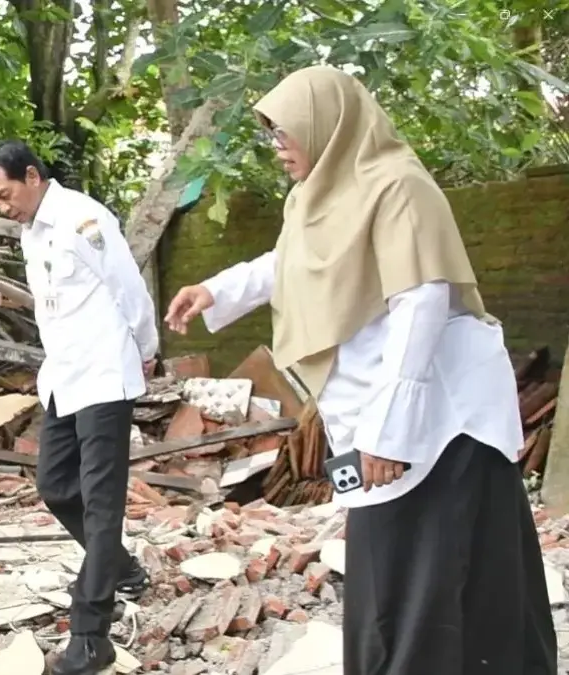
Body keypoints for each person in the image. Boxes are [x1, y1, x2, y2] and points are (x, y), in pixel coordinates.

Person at [163, 65, 557, 675]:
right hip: (381, 410)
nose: (278, 148)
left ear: (327, 124)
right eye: (271, 135)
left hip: (442, 417)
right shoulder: (317, 194)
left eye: (283, 132)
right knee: (400, 564)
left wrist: (389, 431)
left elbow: (422, 303)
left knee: (435, 569)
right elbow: (295, 261)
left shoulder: (400, 187)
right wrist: (217, 290)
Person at [0, 140, 159, 675]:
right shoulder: (32, 232)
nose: (3, 208)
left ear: (32, 176)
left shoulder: (83, 219)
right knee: (55, 487)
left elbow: (129, 290)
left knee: (102, 507)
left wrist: (145, 351)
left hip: (103, 374)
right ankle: (121, 567)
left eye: (6, 195)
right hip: (64, 378)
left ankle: (90, 635)